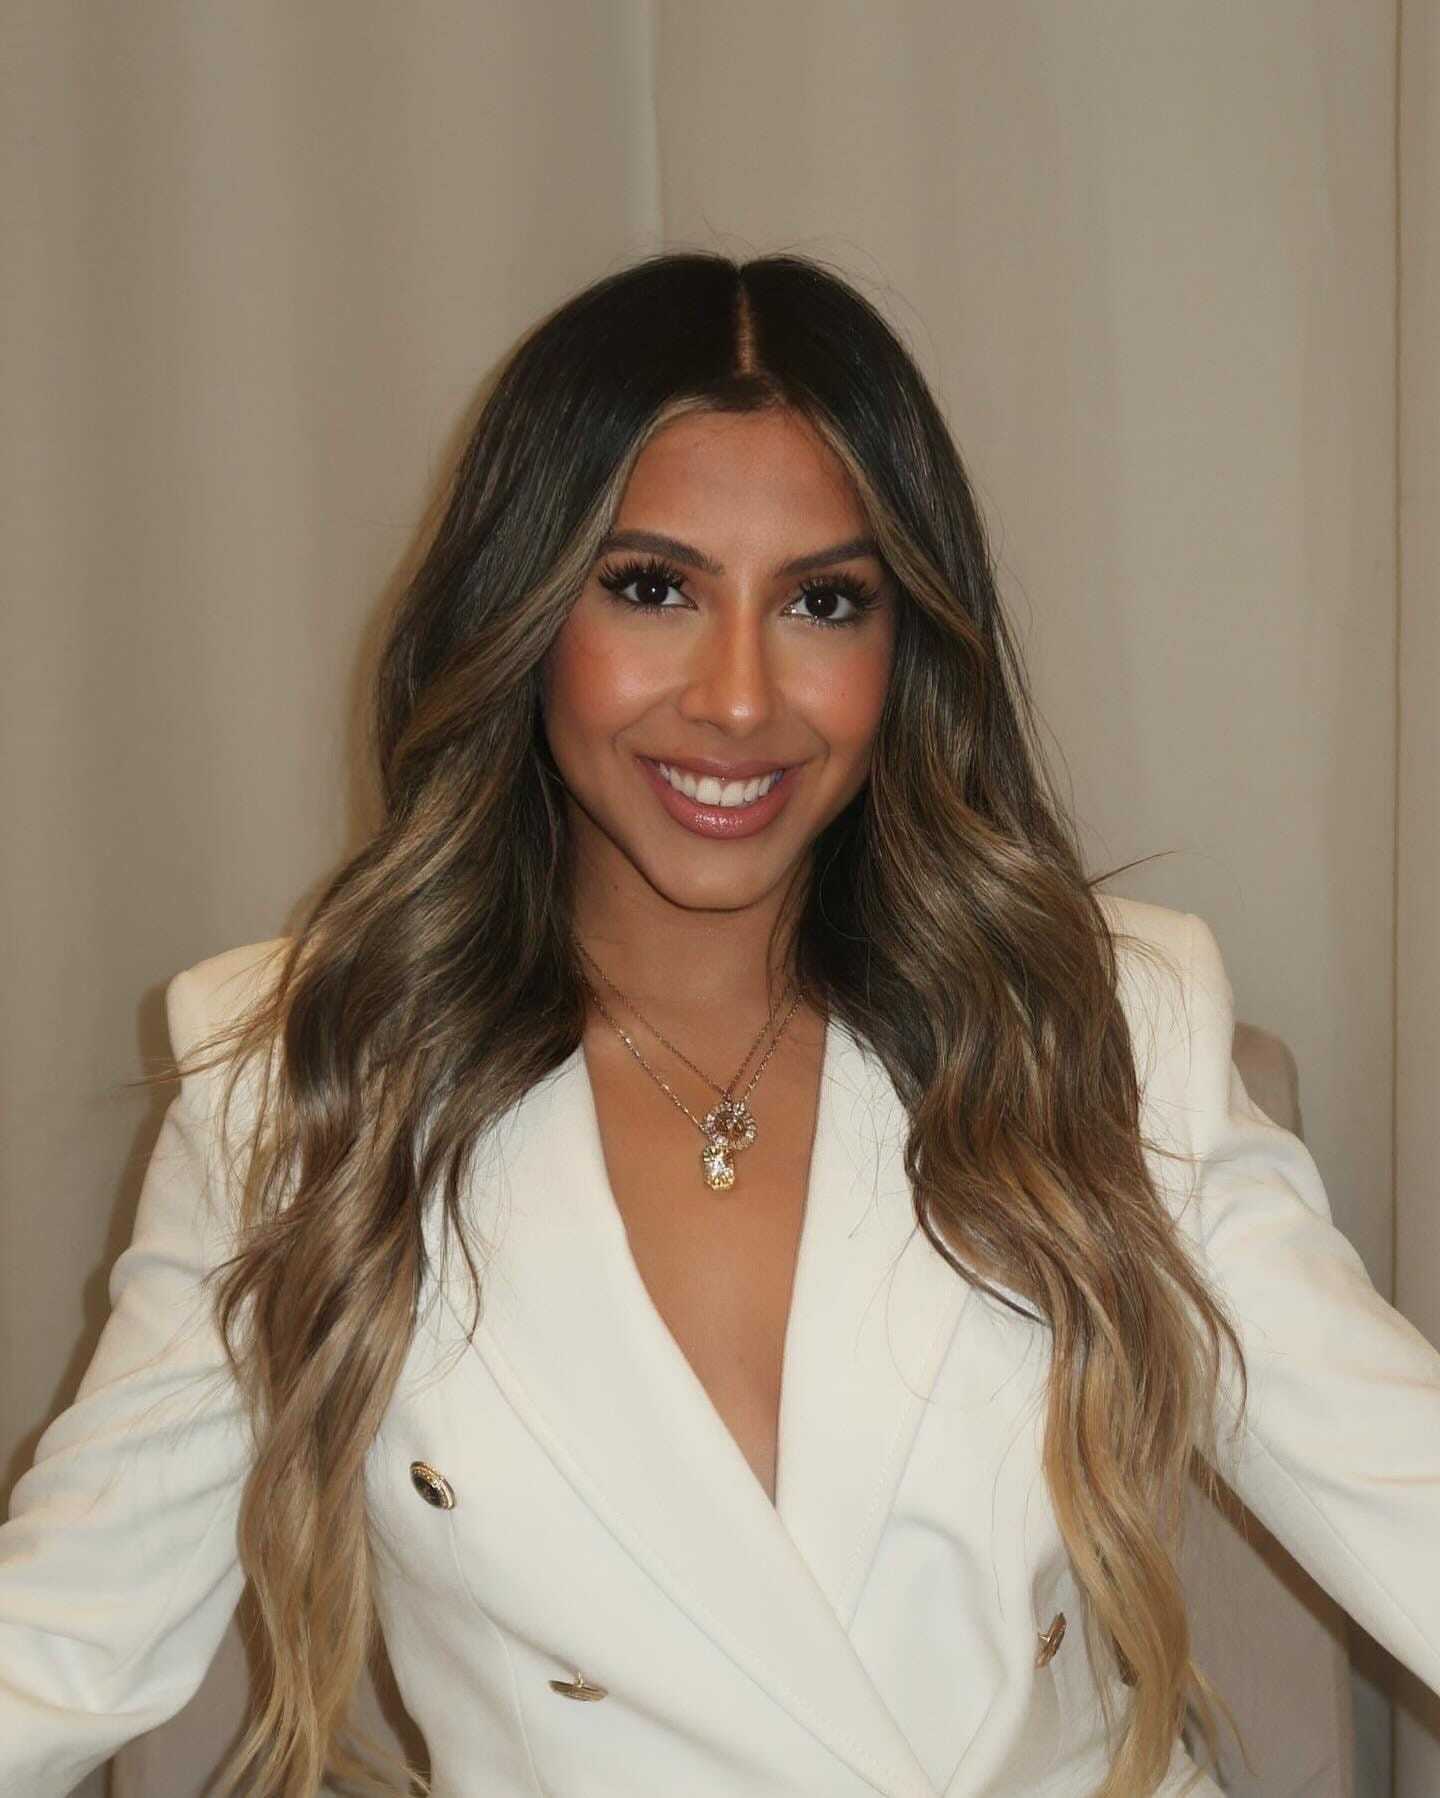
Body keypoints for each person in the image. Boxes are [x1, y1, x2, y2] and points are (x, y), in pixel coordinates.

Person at [1, 251, 1436, 1798]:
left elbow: (1404, 1492)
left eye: (823, 601)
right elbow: (63, 1641)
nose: (740, 698)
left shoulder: (1098, 1030)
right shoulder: (306, 1083)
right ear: (523, 611)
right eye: (652, 587)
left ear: (904, 647)